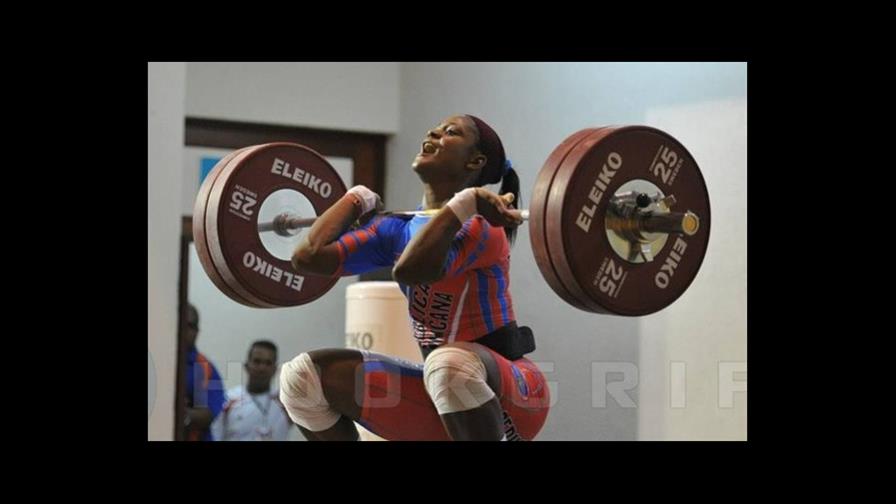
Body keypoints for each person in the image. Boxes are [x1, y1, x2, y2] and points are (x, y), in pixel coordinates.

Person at [281, 114, 550, 441]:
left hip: (512, 396)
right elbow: (307, 257)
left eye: (451, 132)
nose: (434, 132)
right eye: (436, 128)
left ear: (475, 161)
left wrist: (467, 203)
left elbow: (412, 270)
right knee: (302, 380)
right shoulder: (396, 229)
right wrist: (354, 199)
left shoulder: (484, 227)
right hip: (442, 395)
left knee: (448, 365)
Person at [212, 340, 293, 441]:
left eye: (268, 363)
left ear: (275, 369)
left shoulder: (287, 402)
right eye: (257, 361)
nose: (262, 368)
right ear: (246, 366)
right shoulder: (228, 399)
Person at [182, 303, 227, 441]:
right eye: (181, 322)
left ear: (196, 331)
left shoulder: (204, 368)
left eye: (190, 325)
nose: (184, 330)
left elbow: (208, 415)